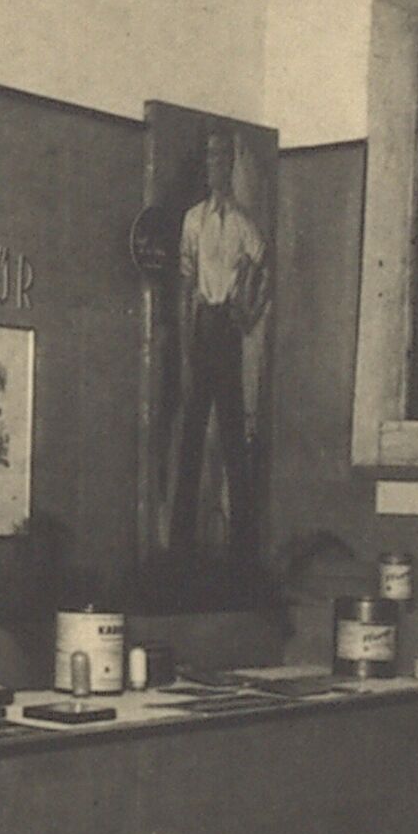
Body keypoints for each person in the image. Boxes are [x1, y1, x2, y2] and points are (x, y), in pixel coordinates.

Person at [170, 123, 269, 561]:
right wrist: (186, 344)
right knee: (192, 434)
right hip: (201, 329)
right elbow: (186, 284)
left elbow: (263, 273)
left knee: (232, 436)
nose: (217, 165)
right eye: (211, 157)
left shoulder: (245, 224)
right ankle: (180, 543)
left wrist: (246, 312)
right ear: (205, 164)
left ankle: (242, 544)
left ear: (232, 165)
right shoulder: (193, 220)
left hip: (228, 332)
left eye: (224, 157)